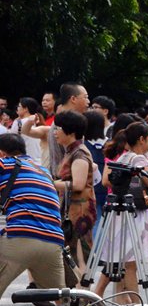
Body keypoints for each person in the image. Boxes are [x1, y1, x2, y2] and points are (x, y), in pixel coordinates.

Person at [0, 133, 92, 306]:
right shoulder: (40, 171)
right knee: (62, 297)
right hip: (53, 242)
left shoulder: (4, 164)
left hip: (21, 239)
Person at [98, 122, 148, 302]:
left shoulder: (122, 158)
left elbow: (108, 181)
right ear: (142, 139)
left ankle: (127, 302)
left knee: (123, 260)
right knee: (131, 263)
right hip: (135, 214)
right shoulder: (139, 159)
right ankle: (137, 305)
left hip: (120, 211)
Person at [52, 110, 96, 269]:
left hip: (79, 213)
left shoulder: (79, 153)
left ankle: (83, 293)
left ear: (70, 131)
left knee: (79, 258)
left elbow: (78, 184)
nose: (55, 132)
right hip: (71, 210)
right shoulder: (71, 151)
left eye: (58, 128)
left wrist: (50, 182)